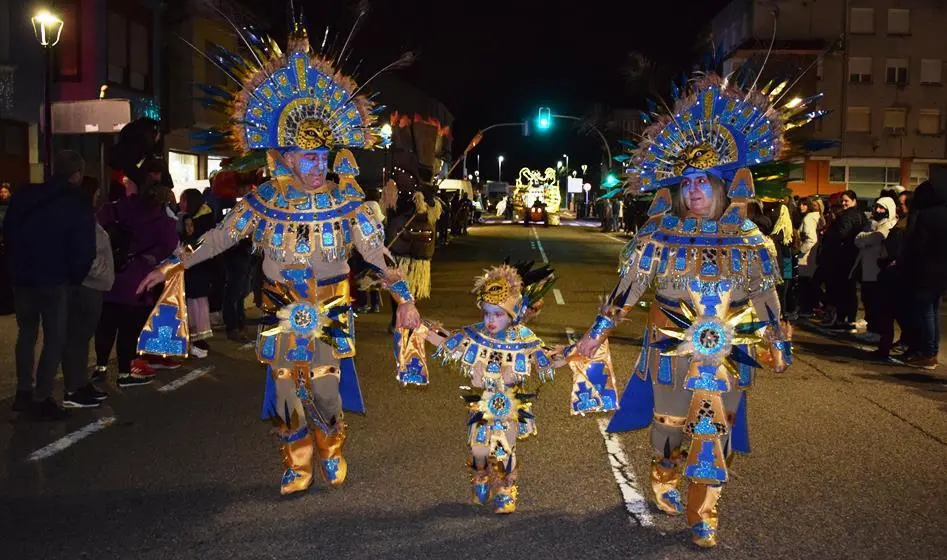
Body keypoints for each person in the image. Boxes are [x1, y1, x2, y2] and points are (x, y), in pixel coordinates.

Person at [136, 20, 421, 495]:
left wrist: (405, 298)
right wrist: (176, 263)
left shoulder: (348, 201)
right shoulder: (262, 202)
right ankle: (298, 462)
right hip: (281, 309)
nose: (317, 165)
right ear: (285, 156)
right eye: (306, 157)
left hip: (330, 308)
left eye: (322, 156)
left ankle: (331, 445)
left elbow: (378, 253)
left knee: (327, 392)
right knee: (287, 391)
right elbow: (220, 238)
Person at [572, 71, 804, 548]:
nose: (696, 190)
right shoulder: (656, 237)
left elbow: (766, 298)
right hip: (670, 357)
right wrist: (596, 333)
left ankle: (705, 513)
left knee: (716, 432)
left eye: (706, 181)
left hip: (728, 360)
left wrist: (778, 340)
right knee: (669, 432)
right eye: (689, 181)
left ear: (726, 186)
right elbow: (625, 292)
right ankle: (664, 473)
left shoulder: (751, 242)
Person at [402, 263, 561, 514]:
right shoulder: (475, 335)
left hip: (508, 406)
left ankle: (506, 489)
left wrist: (578, 350)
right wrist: (418, 325)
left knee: (505, 448)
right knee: (478, 449)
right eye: (486, 313)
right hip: (480, 403)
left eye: (498, 315)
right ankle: (480, 476)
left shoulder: (524, 339)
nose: (490, 320)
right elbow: (446, 341)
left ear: (513, 314)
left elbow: (548, 359)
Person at [4, 150, 96, 419]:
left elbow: (8, 231)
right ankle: (41, 397)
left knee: (27, 333)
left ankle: (23, 391)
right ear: (76, 175)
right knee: (54, 336)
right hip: (55, 279)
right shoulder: (76, 202)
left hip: (23, 277)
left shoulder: (24, 195)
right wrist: (74, 278)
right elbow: (84, 249)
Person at [93, 158, 178, 387]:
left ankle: (100, 367)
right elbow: (170, 243)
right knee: (129, 328)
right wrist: (152, 257)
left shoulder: (115, 208)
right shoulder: (157, 212)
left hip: (111, 274)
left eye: (129, 181)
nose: (126, 183)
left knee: (106, 323)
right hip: (138, 276)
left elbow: (96, 228)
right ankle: (124, 373)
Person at [62, 177, 113, 408]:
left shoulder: (85, 217)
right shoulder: (80, 219)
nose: (98, 197)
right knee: (76, 338)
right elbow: (83, 254)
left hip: (91, 284)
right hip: (86, 285)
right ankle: (73, 389)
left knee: (82, 339)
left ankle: (80, 383)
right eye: (96, 192)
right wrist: (99, 272)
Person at [899, 180, 947, 369]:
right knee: (934, 311)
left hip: (926, 269)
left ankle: (928, 352)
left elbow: (918, 245)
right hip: (942, 271)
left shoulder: (926, 216)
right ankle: (931, 351)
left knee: (926, 313)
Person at [852, 197, 898, 344]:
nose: (878, 210)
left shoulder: (887, 225)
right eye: (876, 207)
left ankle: (877, 332)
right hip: (867, 267)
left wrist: (865, 237)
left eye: (882, 208)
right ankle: (871, 329)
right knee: (868, 300)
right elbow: (858, 240)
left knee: (876, 302)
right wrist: (866, 237)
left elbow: (874, 238)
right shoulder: (873, 223)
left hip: (877, 269)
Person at [178, 188, 217, 357]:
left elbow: (194, 246)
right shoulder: (202, 218)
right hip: (200, 270)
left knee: (195, 304)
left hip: (197, 270)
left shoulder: (199, 221)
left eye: (184, 200)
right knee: (197, 303)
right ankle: (197, 339)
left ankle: (197, 339)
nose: (181, 203)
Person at [820, 190, 866, 330]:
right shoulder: (861, 215)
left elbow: (840, 234)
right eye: (842, 201)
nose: (844, 203)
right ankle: (848, 318)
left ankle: (841, 319)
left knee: (841, 289)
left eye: (846, 200)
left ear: (854, 200)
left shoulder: (846, 216)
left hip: (842, 257)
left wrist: (828, 235)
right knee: (850, 290)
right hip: (854, 256)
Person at [797, 196, 824, 316]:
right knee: (811, 283)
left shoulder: (808, 218)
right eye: (800, 204)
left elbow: (811, 239)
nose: (801, 207)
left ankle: (806, 309)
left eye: (805, 204)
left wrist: (799, 251)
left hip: (806, 256)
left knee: (805, 283)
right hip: (814, 256)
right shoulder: (818, 217)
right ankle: (813, 307)